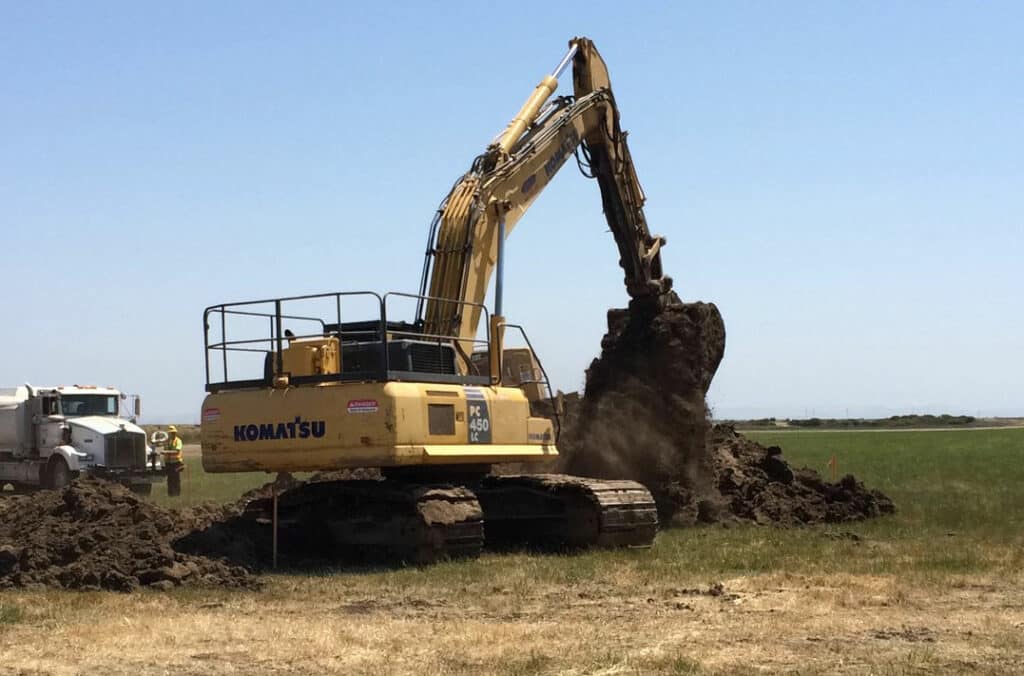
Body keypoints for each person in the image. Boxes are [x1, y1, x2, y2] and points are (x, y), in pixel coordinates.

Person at [163, 425, 184, 497]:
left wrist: (166, 452)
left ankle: (177, 494)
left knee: (176, 480)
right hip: (168, 463)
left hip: (176, 463)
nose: (172, 434)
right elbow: (165, 449)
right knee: (169, 480)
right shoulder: (166, 441)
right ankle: (170, 494)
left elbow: (177, 451)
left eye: (174, 432)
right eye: (171, 433)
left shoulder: (178, 441)